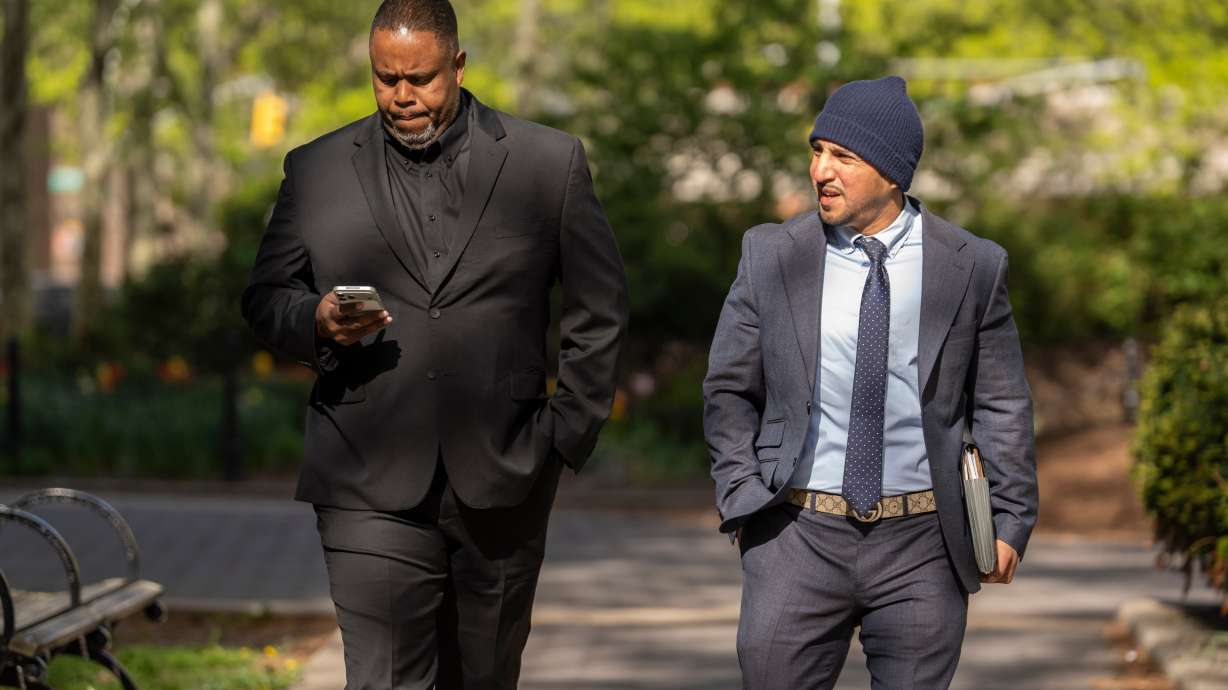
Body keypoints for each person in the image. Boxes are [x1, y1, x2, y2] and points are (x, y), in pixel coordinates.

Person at [240, 1, 628, 687]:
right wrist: (316, 318)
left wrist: (564, 436)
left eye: (418, 78)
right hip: (365, 475)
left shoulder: (548, 163)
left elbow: (598, 307)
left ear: (458, 64)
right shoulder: (316, 170)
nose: (401, 96)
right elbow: (265, 299)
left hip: (507, 476)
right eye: (385, 78)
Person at [703, 76, 1037, 689]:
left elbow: (1001, 400)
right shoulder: (773, 254)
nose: (820, 170)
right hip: (794, 535)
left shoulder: (972, 265)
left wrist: (1010, 517)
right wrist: (741, 491)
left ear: (891, 172)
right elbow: (728, 386)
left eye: (843, 157)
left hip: (924, 545)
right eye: (816, 150)